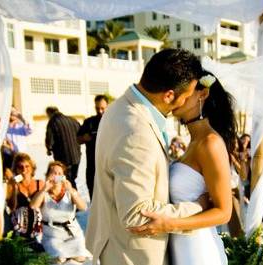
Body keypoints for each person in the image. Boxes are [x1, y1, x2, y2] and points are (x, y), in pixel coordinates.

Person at [86, 49, 207, 265]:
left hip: (116, 245)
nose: (188, 101)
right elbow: (137, 215)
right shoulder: (136, 131)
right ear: (169, 95)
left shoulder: (119, 107)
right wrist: (197, 206)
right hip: (133, 255)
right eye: (187, 96)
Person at [129, 70, 236, 265]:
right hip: (179, 244)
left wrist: (169, 224)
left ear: (202, 94)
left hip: (198, 249)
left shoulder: (210, 143)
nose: (176, 95)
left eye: (184, 90)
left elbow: (224, 212)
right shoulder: (193, 142)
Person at [30, 161, 89, 264]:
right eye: (53, 173)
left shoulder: (69, 192)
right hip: (52, 236)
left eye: (59, 174)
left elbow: (83, 207)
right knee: (59, 259)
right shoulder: (43, 193)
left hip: (72, 234)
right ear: (48, 175)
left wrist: (71, 190)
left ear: (63, 177)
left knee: (80, 258)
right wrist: (44, 189)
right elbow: (33, 206)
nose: (56, 176)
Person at [6, 153, 44, 251]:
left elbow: (46, 207)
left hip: (37, 229)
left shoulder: (40, 184)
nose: (24, 170)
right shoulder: (13, 185)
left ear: (32, 168)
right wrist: (14, 189)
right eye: (20, 167)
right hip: (19, 228)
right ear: (16, 169)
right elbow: (11, 207)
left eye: (27, 166)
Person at [77, 95, 109, 199]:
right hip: (92, 167)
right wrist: (84, 138)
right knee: (94, 197)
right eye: (97, 108)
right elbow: (78, 139)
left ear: (107, 106)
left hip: (109, 166)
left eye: (102, 108)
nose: (100, 111)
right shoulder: (89, 122)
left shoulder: (113, 121)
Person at [45, 106, 81, 189]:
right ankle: (74, 196)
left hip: (62, 157)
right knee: (72, 178)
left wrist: (49, 149)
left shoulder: (52, 122)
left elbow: (49, 139)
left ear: (49, 113)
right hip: (76, 156)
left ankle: (70, 196)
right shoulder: (72, 119)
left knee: (62, 178)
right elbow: (81, 134)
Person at [2, 107, 32, 173]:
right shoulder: (4, 127)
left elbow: (30, 130)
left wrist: (22, 118)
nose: (12, 114)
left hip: (22, 156)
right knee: (13, 176)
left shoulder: (21, 126)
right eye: (10, 113)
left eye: (13, 112)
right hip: (10, 156)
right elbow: (2, 143)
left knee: (24, 174)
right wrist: (8, 147)